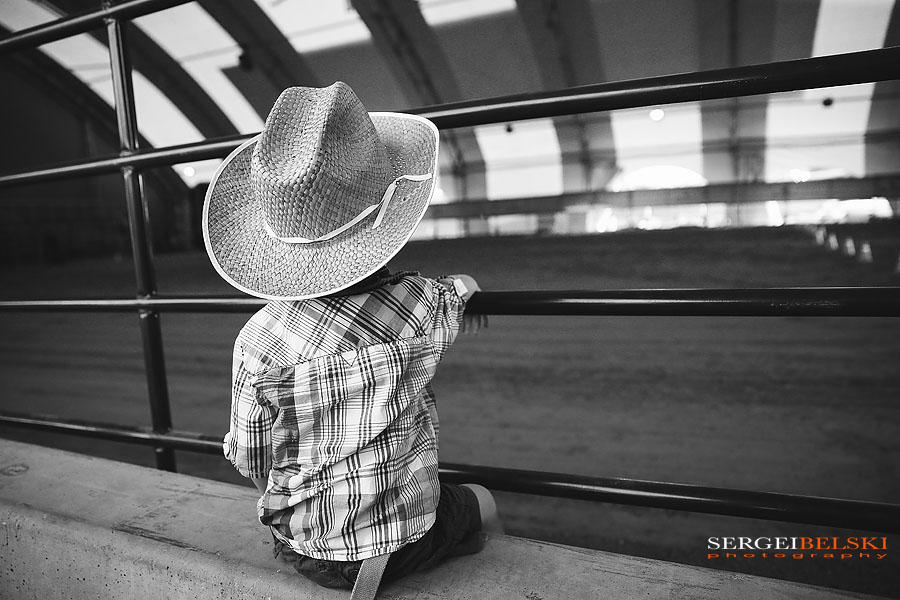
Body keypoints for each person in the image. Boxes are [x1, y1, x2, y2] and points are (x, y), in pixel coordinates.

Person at [201, 82, 502, 597]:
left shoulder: (256, 340)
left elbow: (252, 458)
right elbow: (456, 292)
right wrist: (469, 288)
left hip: (303, 548)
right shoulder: (419, 304)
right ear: (389, 227)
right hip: (403, 539)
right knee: (483, 501)